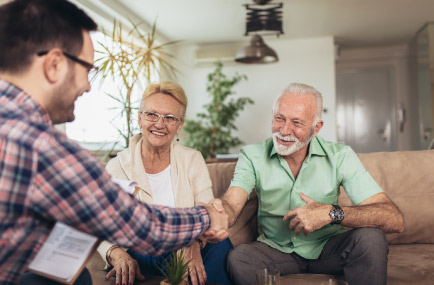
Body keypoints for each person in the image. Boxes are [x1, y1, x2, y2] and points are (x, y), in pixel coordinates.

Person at [0, 1, 228, 284]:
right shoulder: (39, 145)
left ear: (179, 123)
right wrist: (207, 217)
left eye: (170, 117)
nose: (88, 85)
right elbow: (143, 225)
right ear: (54, 64)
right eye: (86, 68)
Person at [208, 83, 404, 285]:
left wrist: (331, 213)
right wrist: (218, 214)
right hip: (275, 251)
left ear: (316, 127)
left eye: (297, 123)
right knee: (239, 258)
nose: (284, 130)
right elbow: (233, 202)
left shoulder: (340, 156)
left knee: (371, 238)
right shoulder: (252, 155)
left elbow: (394, 218)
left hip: (329, 248)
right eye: (279, 118)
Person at [97, 81, 233, 285]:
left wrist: (194, 243)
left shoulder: (192, 159)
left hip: (180, 246)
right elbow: (99, 223)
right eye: (152, 114)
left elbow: (206, 212)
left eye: (170, 118)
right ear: (140, 118)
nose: (160, 124)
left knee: (221, 244)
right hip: (139, 252)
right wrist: (116, 254)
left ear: (180, 126)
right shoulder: (118, 166)